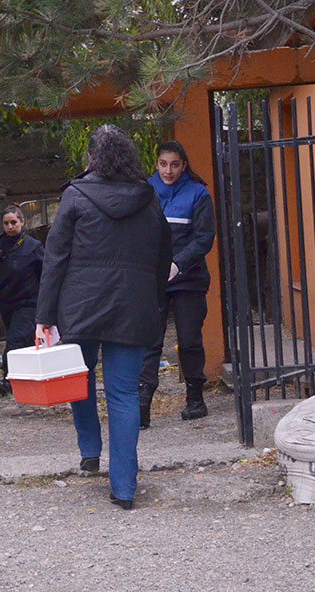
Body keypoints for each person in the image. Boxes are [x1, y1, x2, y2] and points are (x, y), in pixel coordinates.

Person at [35, 125, 172, 510]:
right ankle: (124, 488)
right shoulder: (149, 198)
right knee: (124, 394)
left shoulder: (75, 196)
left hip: (81, 306)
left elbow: (55, 257)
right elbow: (164, 254)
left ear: (91, 159)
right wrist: (154, 298)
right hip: (133, 307)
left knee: (78, 380)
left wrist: (44, 315)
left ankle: (89, 450)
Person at [139, 140, 216, 428]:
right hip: (153, 278)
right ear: (156, 164)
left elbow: (204, 238)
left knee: (189, 339)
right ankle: (142, 402)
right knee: (149, 340)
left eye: (174, 164)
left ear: (184, 165)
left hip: (189, 279)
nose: (168, 170)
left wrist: (179, 263)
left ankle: (195, 397)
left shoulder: (198, 194)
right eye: (163, 164)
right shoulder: (146, 191)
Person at [0, 205, 44, 395]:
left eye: (14, 223)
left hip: (29, 302)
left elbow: (47, 274)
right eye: (6, 223)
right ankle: (27, 379)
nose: (10, 227)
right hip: (7, 302)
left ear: (22, 222)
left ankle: (9, 379)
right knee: (23, 343)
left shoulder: (33, 247)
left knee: (15, 340)